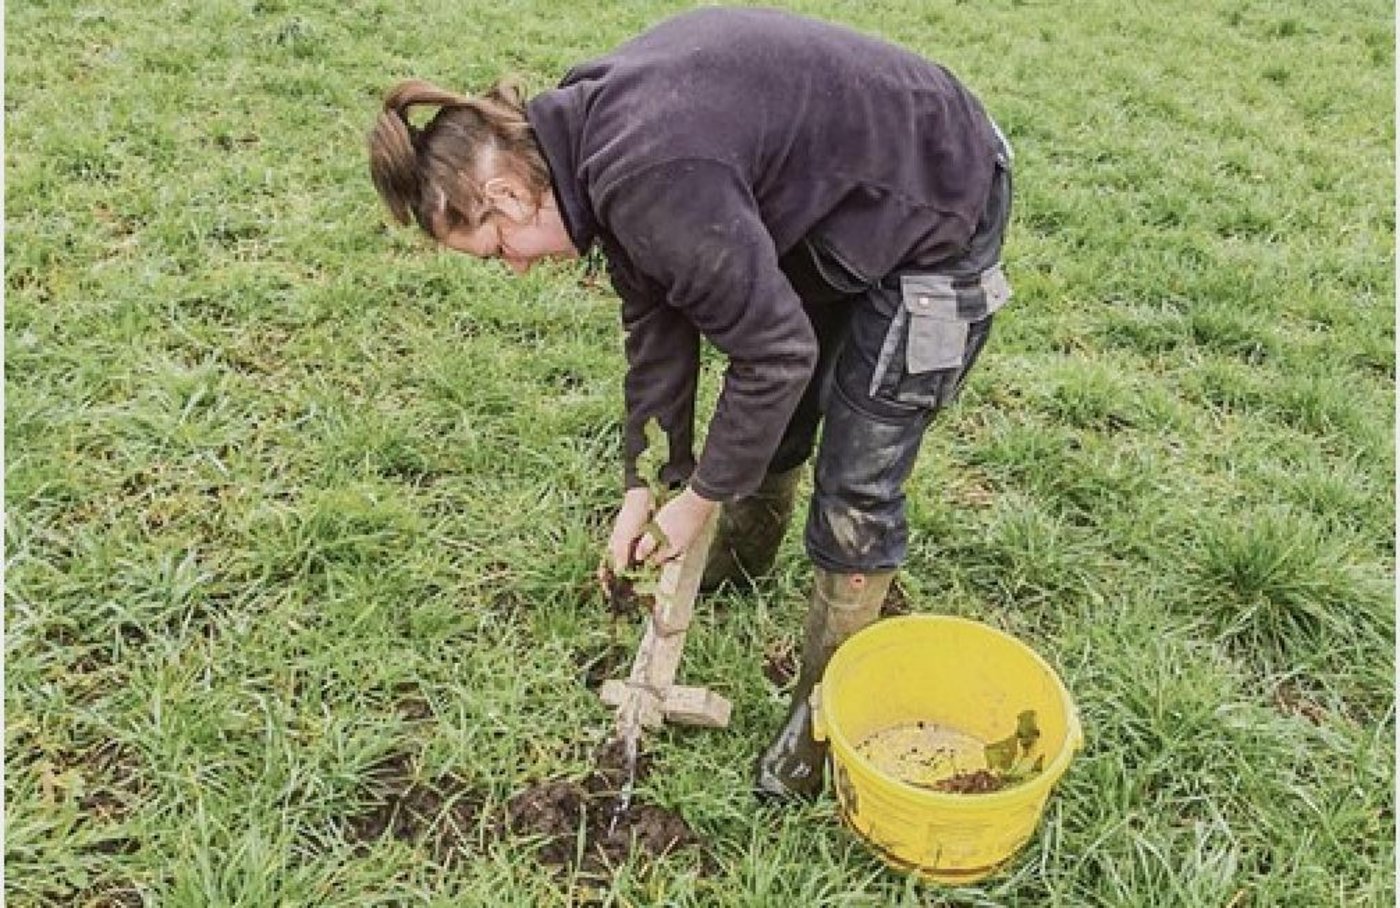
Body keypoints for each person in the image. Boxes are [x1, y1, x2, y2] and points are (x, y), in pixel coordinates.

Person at [367, 7, 1013, 800]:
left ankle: (823, 711)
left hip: (938, 195)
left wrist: (699, 499)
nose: (516, 269)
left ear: (504, 193)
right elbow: (655, 312)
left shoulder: (642, 168)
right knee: (781, 393)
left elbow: (772, 353)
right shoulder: (582, 145)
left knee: (857, 478)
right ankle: (747, 551)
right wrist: (644, 484)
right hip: (834, 208)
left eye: (499, 248)